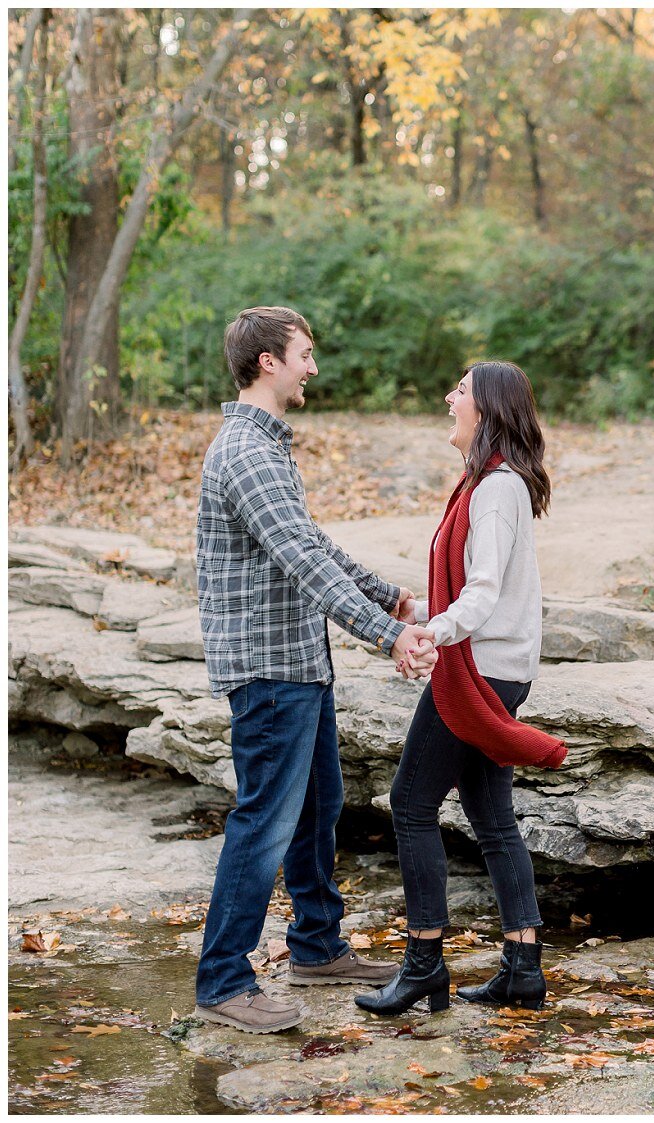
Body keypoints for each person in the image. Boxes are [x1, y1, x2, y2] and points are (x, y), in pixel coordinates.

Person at [194, 306, 439, 1034]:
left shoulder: (266, 446)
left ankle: (316, 944)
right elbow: (300, 560)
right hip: (270, 671)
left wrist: (388, 593)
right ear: (267, 360)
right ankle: (222, 980)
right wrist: (388, 635)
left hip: (300, 660)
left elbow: (312, 542)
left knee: (317, 807)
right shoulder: (245, 451)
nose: (314, 366)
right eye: (305, 352)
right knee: (264, 822)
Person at [356, 361, 566, 1017]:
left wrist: (434, 634)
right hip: (494, 662)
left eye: (461, 390)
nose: (450, 397)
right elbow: (477, 592)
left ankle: (423, 964)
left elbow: (482, 593)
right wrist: (420, 615)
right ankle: (522, 969)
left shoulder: (496, 488)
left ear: (487, 409)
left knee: (411, 801)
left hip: (482, 670)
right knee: (491, 814)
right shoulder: (486, 483)